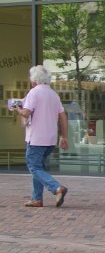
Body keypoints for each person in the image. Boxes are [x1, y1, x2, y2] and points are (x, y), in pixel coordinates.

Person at [8, 65, 69, 208]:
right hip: (50, 139)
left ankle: (57, 188)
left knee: (33, 166)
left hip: (36, 138)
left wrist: (17, 108)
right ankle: (37, 199)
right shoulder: (53, 94)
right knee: (38, 166)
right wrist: (64, 137)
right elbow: (63, 116)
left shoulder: (34, 93)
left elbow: (25, 113)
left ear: (34, 79)